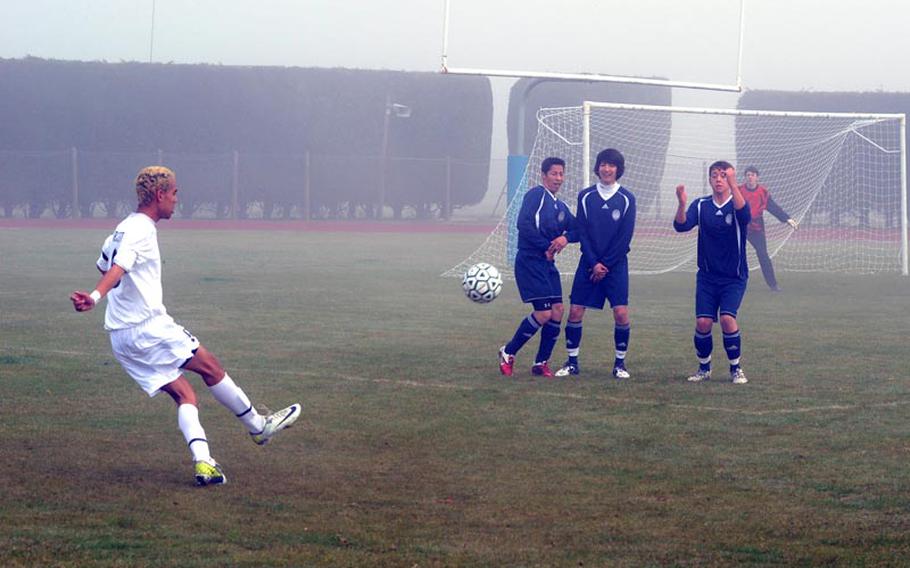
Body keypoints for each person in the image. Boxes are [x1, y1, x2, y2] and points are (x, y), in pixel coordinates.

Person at [70, 166, 301, 486]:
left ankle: (205, 464)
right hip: (148, 327)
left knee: (185, 395)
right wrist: (95, 297)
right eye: (175, 193)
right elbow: (119, 267)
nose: (177, 199)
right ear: (159, 195)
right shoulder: (141, 230)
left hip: (121, 337)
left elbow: (105, 263)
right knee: (211, 368)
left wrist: (110, 290)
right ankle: (257, 426)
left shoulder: (121, 229)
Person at [555, 149, 636, 379]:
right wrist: (593, 263)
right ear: (598, 167)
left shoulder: (627, 198)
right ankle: (572, 363)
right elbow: (582, 231)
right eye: (603, 164)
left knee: (621, 314)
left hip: (616, 266)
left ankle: (620, 365)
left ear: (618, 169)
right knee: (576, 311)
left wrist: (605, 265)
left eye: (611, 165)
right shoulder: (586, 196)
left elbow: (624, 237)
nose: (607, 169)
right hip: (589, 264)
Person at [673, 161, 751, 384]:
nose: (719, 179)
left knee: (727, 318)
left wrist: (735, 185)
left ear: (730, 180)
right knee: (703, 323)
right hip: (707, 277)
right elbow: (681, 226)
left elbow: (745, 216)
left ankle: (736, 368)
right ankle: (704, 368)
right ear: (709, 179)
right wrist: (681, 204)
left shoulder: (736, 203)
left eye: (723, 176)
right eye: (715, 175)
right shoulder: (701, 205)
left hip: (733, 277)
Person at [499, 157, 577, 377]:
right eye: (554, 174)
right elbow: (523, 223)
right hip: (530, 262)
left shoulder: (560, 206)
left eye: (561, 174)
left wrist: (565, 238)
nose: (558, 178)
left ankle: (540, 363)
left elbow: (578, 229)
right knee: (543, 313)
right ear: (544, 176)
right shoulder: (536, 195)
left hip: (547, 265)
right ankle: (508, 351)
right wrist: (546, 246)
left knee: (558, 311)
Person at [740, 166, 799, 291]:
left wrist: (787, 219)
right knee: (732, 255)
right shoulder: (738, 191)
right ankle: (727, 283)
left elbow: (773, 207)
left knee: (763, 255)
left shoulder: (763, 192)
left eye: (753, 175)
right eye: (748, 175)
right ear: (745, 177)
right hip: (740, 227)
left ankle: (773, 285)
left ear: (757, 177)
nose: (750, 177)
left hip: (756, 228)